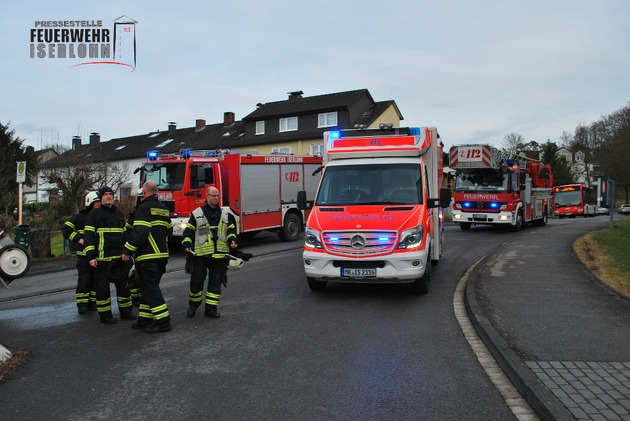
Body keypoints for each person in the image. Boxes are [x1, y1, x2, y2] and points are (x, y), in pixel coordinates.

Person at [121, 180, 173, 333]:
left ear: (144, 192)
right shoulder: (163, 208)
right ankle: (144, 319)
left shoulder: (143, 208)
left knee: (150, 290)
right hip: (162, 256)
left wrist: (127, 251)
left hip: (148, 256)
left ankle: (163, 322)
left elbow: (141, 231)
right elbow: (169, 230)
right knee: (146, 289)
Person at [182, 186, 238, 319]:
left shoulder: (225, 214)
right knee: (196, 281)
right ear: (206, 196)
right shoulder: (197, 214)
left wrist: (232, 240)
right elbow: (188, 232)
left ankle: (211, 309)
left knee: (215, 283)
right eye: (213, 195)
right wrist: (186, 243)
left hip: (219, 255)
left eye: (217, 195)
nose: (216, 198)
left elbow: (230, 230)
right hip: (201, 255)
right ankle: (193, 305)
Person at [84, 186, 136, 325]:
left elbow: (125, 235)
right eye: (105, 194)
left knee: (124, 288)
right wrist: (91, 256)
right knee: (102, 290)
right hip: (101, 260)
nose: (108, 196)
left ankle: (126, 312)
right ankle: (105, 316)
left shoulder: (119, 214)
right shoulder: (94, 214)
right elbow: (88, 236)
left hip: (119, 259)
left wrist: (127, 252)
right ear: (100, 198)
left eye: (110, 194)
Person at [61, 191, 101, 314]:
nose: (99, 204)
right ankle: (82, 305)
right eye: (97, 202)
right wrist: (79, 239)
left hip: (98, 255)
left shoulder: (101, 215)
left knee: (96, 281)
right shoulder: (80, 217)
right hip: (84, 256)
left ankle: (92, 303)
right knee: (84, 280)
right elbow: (66, 230)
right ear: (90, 203)